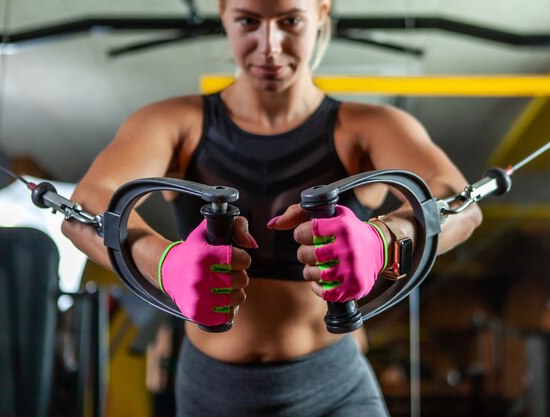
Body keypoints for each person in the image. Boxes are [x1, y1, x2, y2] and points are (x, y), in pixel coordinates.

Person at [62, 0, 483, 415]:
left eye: (290, 20)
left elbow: (460, 203)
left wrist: (387, 239)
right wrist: (162, 262)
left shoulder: (370, 128)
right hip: (211, 389)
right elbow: (86, 207)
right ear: (223, 13)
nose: (269, 45)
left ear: (321, 13)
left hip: (333, 385)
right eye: (248, 20)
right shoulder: (173, 122)